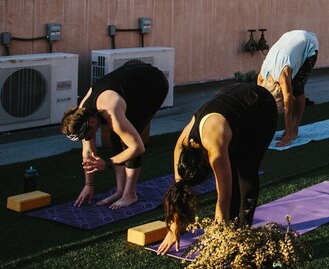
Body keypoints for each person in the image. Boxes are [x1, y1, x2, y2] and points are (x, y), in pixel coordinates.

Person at [157, 82, 277, 256]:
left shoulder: (215, 147)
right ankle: (232, 228)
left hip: (260, 105)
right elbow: (178, 192)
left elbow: (224, 198)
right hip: (231, 108)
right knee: (234, 164)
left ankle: (243, 231)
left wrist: (218, 237)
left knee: (245, 170)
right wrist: (173, 226)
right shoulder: (181, 148)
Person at [60, 62, 169, 209]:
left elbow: (137, 147)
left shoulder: (111, 111)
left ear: (91, 123)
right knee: (115, 137)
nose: (90, 137)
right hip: (130, 82)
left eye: (89, 135)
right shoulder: (81, 114)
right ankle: (120, 191)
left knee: (127, 140)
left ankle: (130, 194)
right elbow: (88, 153)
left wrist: (107, 163)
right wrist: (89, 184)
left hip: (153, 84)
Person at [256, 30, 318, 147]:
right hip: (290, 37)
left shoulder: (283, 77)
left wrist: (288, 136)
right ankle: (291, 130)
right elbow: (261, 108)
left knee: (297, 88)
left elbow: (287, 109)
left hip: (308, 43)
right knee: (292, 85)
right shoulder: (261, 77)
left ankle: (294, 130)